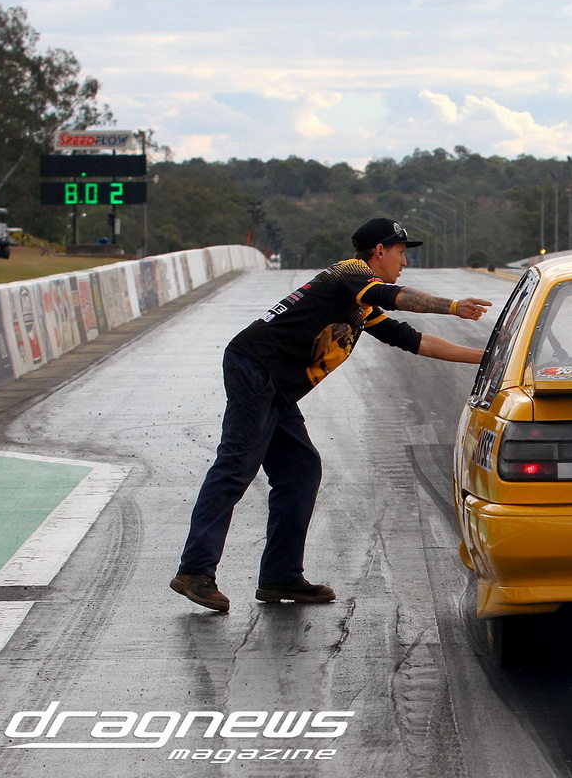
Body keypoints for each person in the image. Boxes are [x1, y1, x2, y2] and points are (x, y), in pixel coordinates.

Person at [171, 217, 492, 612]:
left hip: (275, 384)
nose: (404, 262)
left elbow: (412, 340)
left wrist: (487, 357)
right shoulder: (350, 272)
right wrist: (454, 307)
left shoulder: (360, 304)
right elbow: (394, 295)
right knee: (236, 466)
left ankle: (280, 576)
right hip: (255, 367)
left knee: (300, 470)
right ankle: (195, 571)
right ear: (379, 251)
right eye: (401, 252)